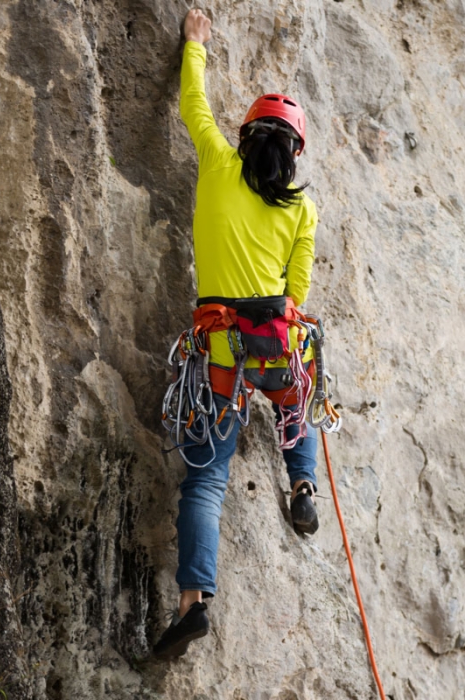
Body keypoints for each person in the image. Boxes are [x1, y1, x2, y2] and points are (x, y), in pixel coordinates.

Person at [153, 8, 320, 660]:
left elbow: (193, 102)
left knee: (206, 484)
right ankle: (302, 482)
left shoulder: (219, 164)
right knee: (294, 394)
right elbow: (296, 294)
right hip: (272, 340)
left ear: (246, 134)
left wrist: (195, 44)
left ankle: (194, 602)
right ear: (294, 152)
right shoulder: (303, 208)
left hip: (220, 350)